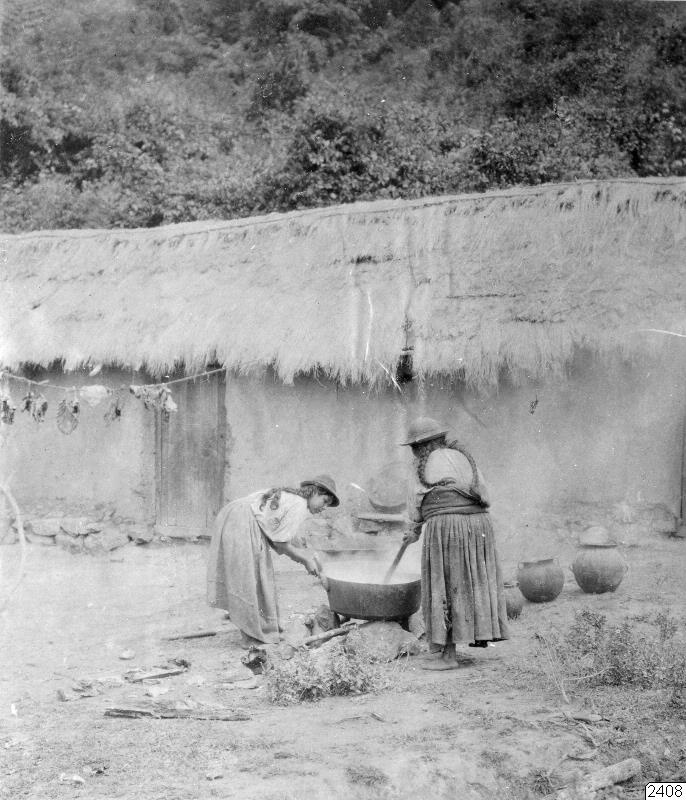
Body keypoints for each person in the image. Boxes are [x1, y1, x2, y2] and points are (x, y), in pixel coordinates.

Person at [401, 417, 508, 670]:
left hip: (447, 527)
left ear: (419, 447)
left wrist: (413, 530)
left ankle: (448, 657)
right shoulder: (464, 457)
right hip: (479, 526)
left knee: (447, 585)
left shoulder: (421, 465)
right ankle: (462, 643)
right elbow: (485, 495)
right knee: (470, 584)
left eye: (414, 448)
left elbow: (416, 507)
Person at [207, 474, 340, 648]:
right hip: (242, 522)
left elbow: (282, 534)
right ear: (315, 492)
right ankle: (252, 635)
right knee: (251, 579)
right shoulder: (299, 505)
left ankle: (250, 623)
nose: (324, 508)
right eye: (324, 501)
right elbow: (280, 543)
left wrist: (305, 555)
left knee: (247, 576)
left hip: (233, 515)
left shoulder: (292, 497)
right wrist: (305, 560)